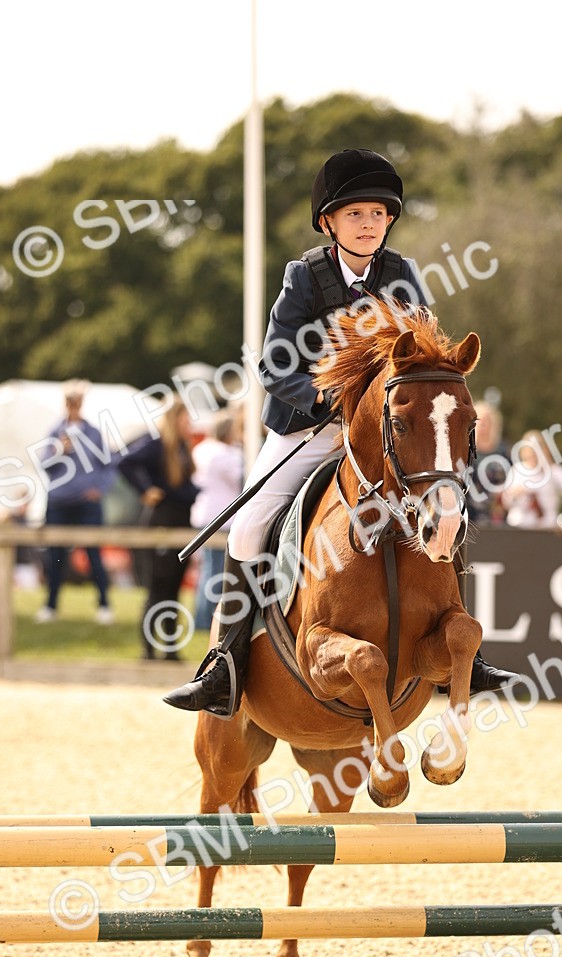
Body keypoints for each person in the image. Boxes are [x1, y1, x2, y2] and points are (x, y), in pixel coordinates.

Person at [165, 148, 516, 718]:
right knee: (247, 529)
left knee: (443, 510)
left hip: (383, 436)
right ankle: (224, 666)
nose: (369, 224)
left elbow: (421, 357)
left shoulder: (401, 276)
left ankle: (465, 658)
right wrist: (324, 400)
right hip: (308, 431)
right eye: (356, 214)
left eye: (379, 214)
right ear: (329, 222)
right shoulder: (304, 278)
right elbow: (275, 365)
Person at [119, 397, 199, 660]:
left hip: (181, 522)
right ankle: (149, 648)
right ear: (175, 418)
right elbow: (125, 462)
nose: (188, 422)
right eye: (184, 417)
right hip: (161, 521)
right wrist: (146, 490)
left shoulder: (181, 448)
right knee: (157, 586)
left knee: (174, 587)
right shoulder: (157, 445)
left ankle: (170, 647)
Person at [35, 380, 117, 624]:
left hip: (86, 503)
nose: (73, 404)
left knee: (93, 553)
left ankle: (104, 605)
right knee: (55, 556)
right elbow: (43, 464)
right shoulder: (55, 432)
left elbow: (110, 466)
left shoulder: (93, 433)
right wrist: (58, 451)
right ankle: (50, 606)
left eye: (77, 400)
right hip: (59, 502)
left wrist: (100, 488)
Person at [190, 407, 245, 631]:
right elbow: (241, 480)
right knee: (215, 572)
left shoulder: (201, 449)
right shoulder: (228, 454)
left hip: (203, 514)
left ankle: (201, 618)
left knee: (207, 569)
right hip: (223, 516)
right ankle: (206, 621)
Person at [502, 431, 562, 528]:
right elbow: (506, 502)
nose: (534, 454)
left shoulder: (554, 471)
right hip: (521, 526)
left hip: (547, 527)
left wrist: (552, 468)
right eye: (530, 449)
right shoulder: (517, 470)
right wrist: (516, 493)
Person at [465, 400, 512, 526]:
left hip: (498, 516)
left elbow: (515, 476)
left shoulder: (503, 451)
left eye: (487, 422)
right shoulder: (464, 451)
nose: (483, 426)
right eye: (480, 421)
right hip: (469, 515)